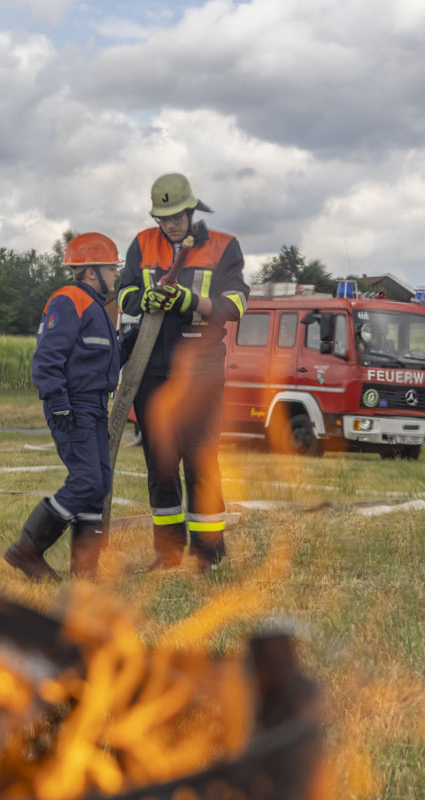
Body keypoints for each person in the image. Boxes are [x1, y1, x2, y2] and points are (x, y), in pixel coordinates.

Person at [116, 173, 249, 572]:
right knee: (160, 464)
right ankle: (169, 554)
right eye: (164, 217)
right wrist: (145, 298)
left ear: (192, 209)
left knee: (201, 461)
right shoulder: (141, 243)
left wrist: (191, 301)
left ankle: (209, 554)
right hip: (152, 368)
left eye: (177, 215)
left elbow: (237, 305)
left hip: (201, 369)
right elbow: (123, 294)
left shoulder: (224, 245)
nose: (171, 223)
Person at [4, 232, 122, 580]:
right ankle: (27, 550)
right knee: (87, 480)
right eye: (111, 269)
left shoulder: (97, 309)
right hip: (75, 405)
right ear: (91, 272)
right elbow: (47, 357)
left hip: (96, 406)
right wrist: (58, 403)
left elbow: (103, 359)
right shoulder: (69, 300)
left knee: (98, 484)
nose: (115, 275)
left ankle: (85, 570)